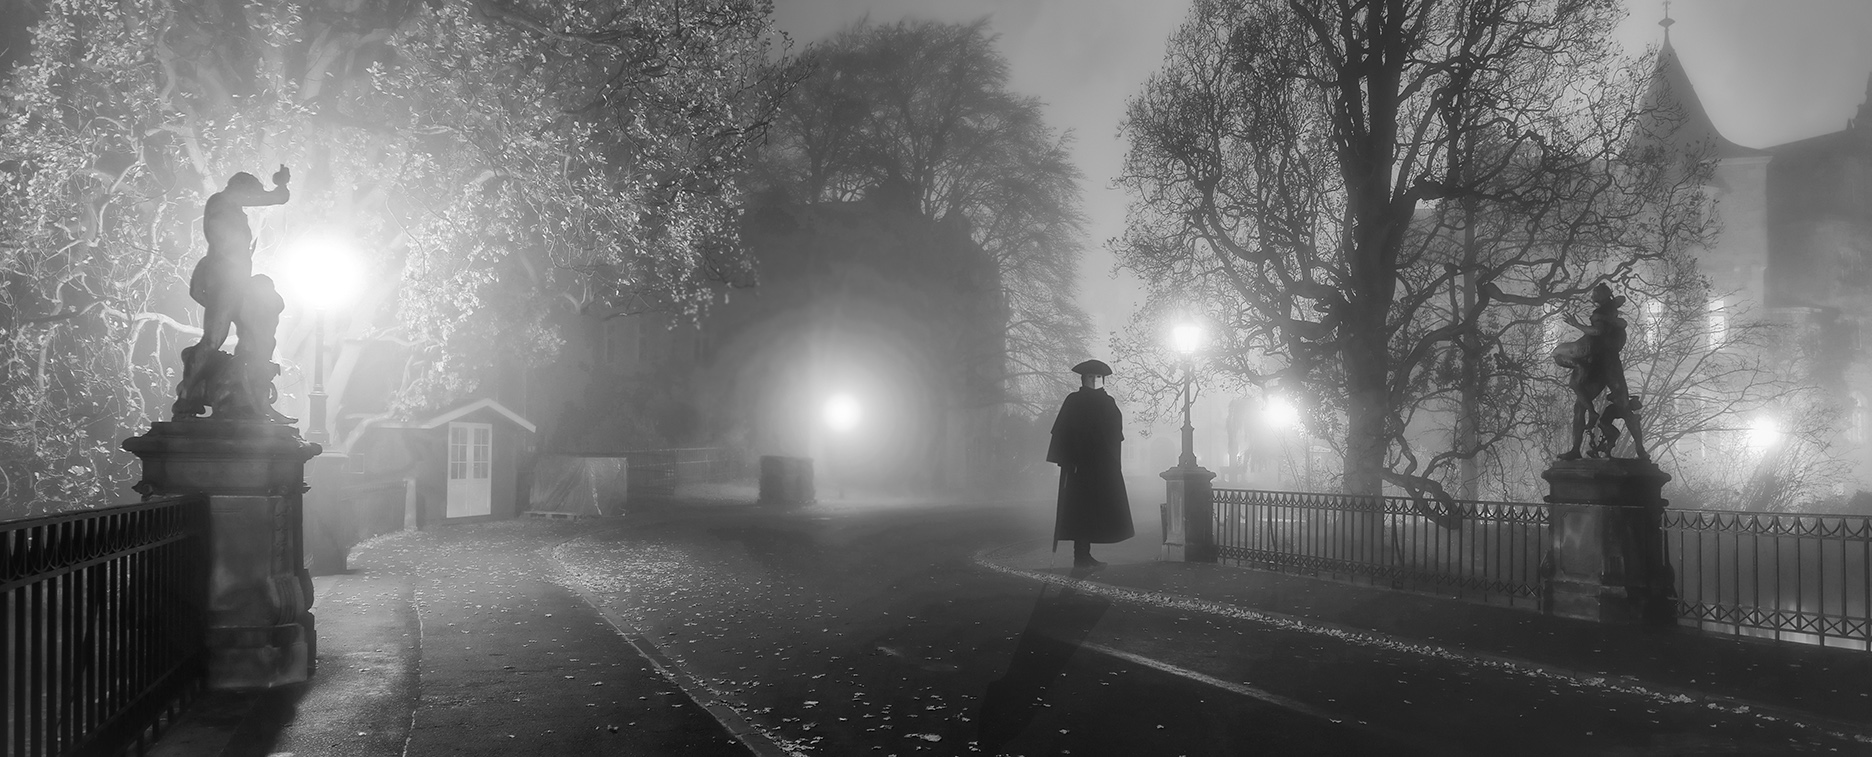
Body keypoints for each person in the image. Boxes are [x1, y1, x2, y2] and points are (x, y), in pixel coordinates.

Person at [175, 166, 291, 418]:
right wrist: (280, 188)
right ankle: (186, 396)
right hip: (224, 279)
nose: (251, 202)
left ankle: (244, 391)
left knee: (253, 330)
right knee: (214, 338)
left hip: (235, 279)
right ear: (240, 189)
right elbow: (272, 199)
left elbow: (272, 199)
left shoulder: (231, 206)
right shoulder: (222, 201)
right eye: (250, 195)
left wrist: (280, 189)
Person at [1046, 359, 1134, 567]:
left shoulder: (1108, 402)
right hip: (1079, 466)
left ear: (1102, 380)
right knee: (1080, 509)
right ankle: (1081, 554)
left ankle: (1085, 554)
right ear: (1084, 379)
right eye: (1090, 377)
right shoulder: (1074, 401)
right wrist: (1068, 459)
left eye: (1098, 377)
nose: (1094, 381)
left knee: (1095, 509)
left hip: (1101, 465)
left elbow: (1115, 432)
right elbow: (1063, 431)